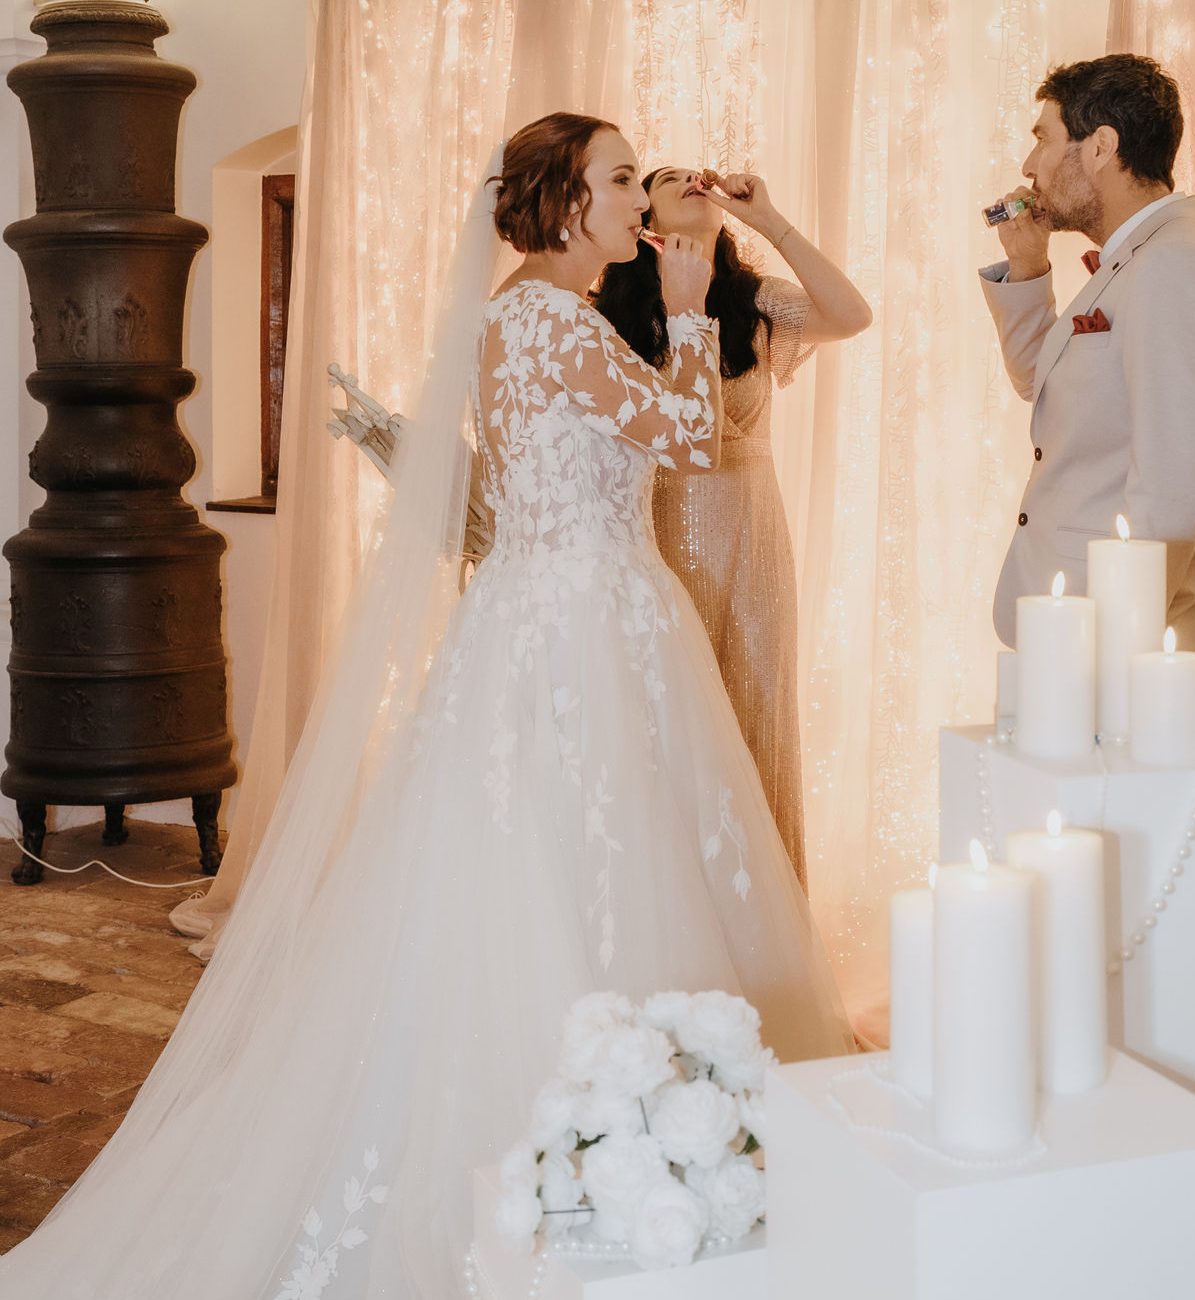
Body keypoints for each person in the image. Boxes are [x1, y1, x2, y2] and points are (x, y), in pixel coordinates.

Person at [0, 113, 852, 1299]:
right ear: (566, 203)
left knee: (561, 856)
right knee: (586, 860)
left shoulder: (518, 316)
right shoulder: (555, 320)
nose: (637, 200)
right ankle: (604, 1158)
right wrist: (693, 304)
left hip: (562, 613)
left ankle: (644, 1145)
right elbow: (691, 437)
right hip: (584, 627)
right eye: (619, 180)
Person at [594, 168, 870, 889]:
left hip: (752, 536)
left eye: (699, 174)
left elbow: (852, 314)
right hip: (654, 534)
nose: (692, 179)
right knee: (672, 722)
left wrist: (768, 220)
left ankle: (767, 914)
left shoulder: (755, 302)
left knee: (755, 715)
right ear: (643, 216)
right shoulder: (611, 314)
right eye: (667, 178)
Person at [981, 53, 1195, 678]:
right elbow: (1041, 382)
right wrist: (1027, 266)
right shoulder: (1138, 261)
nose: (1028, 165)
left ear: (1101, 147)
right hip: (1077, 625)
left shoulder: (1174, 267)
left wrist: (1112, 654)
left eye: (1043, 138)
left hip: (1122, 644)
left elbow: (1171, 491)